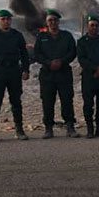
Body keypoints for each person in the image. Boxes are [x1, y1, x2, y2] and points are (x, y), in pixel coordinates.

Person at [0, 9, 31, 143]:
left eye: (8, 19)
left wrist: (26, 70)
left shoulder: (17, 35)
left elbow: (24, 54)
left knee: (16, 101)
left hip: (14, 71)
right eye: (3, 19)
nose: (6, 21)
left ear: (11, 20)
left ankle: (19, 130)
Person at [34, 8, 79, 139]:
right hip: (47, 74)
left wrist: (61, 62)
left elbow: (72, 52)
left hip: (63, 73)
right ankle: (48, 128)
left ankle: (70, 126)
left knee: (67, 100)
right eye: (50, 20)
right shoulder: (41, 37)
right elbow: (37, 54)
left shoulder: (67, 36)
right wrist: (49, 63)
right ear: (47, 22)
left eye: (55, 20)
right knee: (47, 101)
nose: (53, 22)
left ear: (59, 22)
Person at [76, 14, 99, 138]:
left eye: (96, 25)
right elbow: (82, 59)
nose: (94, 27)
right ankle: (90, 129)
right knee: (88, 104)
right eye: (92, 25)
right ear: (88, 26)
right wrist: (95, 68)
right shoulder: (82, 42)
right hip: (89, 77)